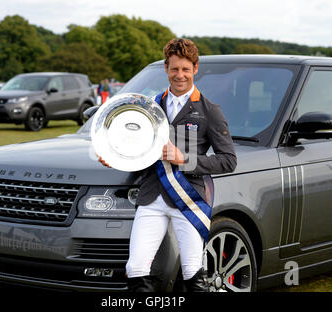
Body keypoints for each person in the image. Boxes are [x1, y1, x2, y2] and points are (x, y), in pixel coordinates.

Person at [98, 38, 237, 292]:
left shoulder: (209, 110)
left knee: (193, 271)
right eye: (174, 69)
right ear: (166, 68)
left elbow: (228, 161)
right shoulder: (149, 108)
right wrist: (114, 157)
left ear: (195, 68)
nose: (180, 75)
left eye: (185, 69)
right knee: (136, 268)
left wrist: (184, 159)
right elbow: (137, 152)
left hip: (190, 198)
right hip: (151, 198)